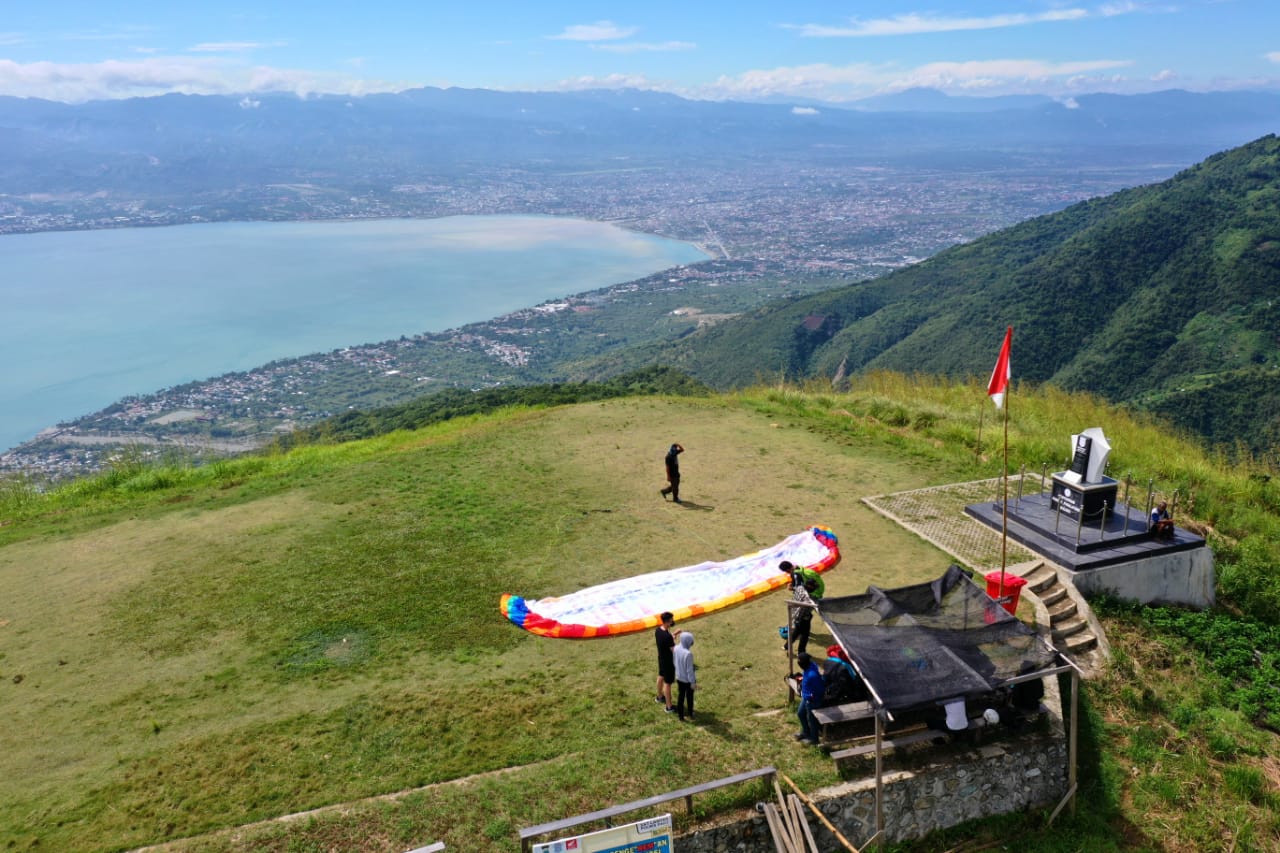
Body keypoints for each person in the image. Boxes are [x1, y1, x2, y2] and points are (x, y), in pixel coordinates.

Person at [780, 561, 825, 654]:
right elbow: (815, 607)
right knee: (804, 634)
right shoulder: (808, 599)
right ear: (811, 589)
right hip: (803, 616)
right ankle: (801, 652)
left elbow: (796, 590)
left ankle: (786, 646)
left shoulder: (800, 589)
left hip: (797, 613)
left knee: (797, 631)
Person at [794, 651, 825, 745]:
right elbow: (806, 680)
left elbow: (820, 690)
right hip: (806, 697)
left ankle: (814, 739)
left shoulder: (813, 675)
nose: (798, 662)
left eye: (799, 660)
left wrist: (811, 697)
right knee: (800, 713)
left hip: (812, 701)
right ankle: (805, 732)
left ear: (804, 662)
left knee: (812, 721)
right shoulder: (807, 669)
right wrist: (800, 679)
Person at [654, 611, 678, 713]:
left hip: (661, 658)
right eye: (671, 620)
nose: (673, 621)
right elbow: (673, 650)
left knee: (660, 676)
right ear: (668, 622)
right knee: (667, 684)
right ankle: (669, 707)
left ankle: (659, 697)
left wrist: (673, 635)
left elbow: (665, 639)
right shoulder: (667, 637)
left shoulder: (658, 630)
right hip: (668, 662)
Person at [673, 631, 697, 721]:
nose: (691, 644)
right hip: (687, 680)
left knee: (681, 696)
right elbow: (689, 670)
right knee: (689, 697)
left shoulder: (675, 648)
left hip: (679, 677)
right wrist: (692, 682)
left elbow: (674, 661)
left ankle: (681, 716)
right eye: (691, 642)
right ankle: (690, 713)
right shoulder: (688, 654)